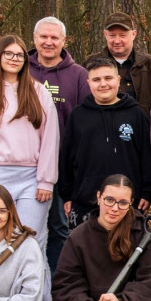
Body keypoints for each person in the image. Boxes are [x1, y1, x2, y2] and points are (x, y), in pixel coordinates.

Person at [0, 35, 59, 262]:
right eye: (9, 53)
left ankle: (38, 298)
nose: (14, 59)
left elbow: (50, 138)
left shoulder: (38, 93)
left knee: (31, 241)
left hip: (32, 179)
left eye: (19, 55)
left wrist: (46, 180)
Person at [28, 16, 91, 273]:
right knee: (28, 227)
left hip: (63, 166)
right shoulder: (22, 71)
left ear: (64, 41)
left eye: (55, 37)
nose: (49, 42)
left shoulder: (78, 75)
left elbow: (86, 121)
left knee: (59, 226)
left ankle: (57, 283)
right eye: (44, 36)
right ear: (34, 39)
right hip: (26, 165)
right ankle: (30, 282)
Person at [58, 56, 151, 225]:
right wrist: (67, 195)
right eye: (96, 80)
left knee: (126, 249)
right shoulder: (78, 115)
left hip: (127, 202)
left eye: (108, 78)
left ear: (118, 80)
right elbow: (66, 158)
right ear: (88, 83)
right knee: (87, 250)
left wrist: (147, 192)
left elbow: (146, 155)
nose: (103, 84)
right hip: (85, 202)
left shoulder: (135, 114)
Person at [84, 12, 151, 116]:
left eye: (122, 35)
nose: (117, 41)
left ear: (133, 34)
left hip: (141, 130)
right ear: (105, 35)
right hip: (101, 129)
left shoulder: (150, 64)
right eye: (112, 35)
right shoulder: (90, 64)